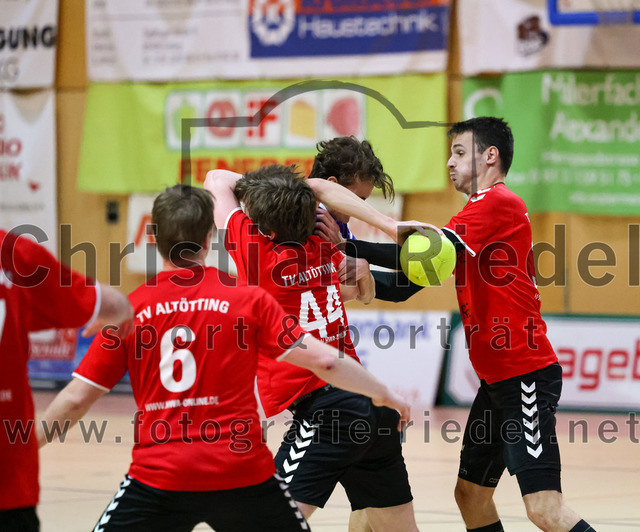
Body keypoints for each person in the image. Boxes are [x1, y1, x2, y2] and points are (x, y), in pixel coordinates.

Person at [36, 185, 410, 532]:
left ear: (153, 237)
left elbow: (75, 399)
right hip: (242, 472)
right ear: (208, 239)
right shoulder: (247, 299)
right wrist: (384, 395)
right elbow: (324, 360)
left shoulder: (131, 312)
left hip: (160, 475)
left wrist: (21, 450)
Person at [307, 117, 594, 532]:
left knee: (544, 509)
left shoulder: (497, 202)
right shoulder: (475, 217)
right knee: (470, 496)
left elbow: (422, 250)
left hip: (524, 375)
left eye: (459, 152)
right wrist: (355, 273)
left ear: (490, 156)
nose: (449, 162)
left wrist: (344, 246)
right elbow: (405, 286)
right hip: (497, 382)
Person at [204, 166, 419, 532]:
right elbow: (358, 292)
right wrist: (298, 192)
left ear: (265, 227)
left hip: (327, 412)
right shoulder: (324, 247)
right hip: (370, 406)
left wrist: (279, 190)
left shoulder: (258, 254)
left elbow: (215, 179)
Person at [0, 227, 133, 532]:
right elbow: (112, 306)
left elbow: (77, 397)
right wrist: (119, 311)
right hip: (8, 483)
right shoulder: (14, 254)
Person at [310, 136, 424, 302]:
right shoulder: (302, 217)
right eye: (358, 199)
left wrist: (434, 263)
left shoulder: (337, 226)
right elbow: (348, 290)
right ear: (332, 184)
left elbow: (376, 293)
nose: (360, 207)